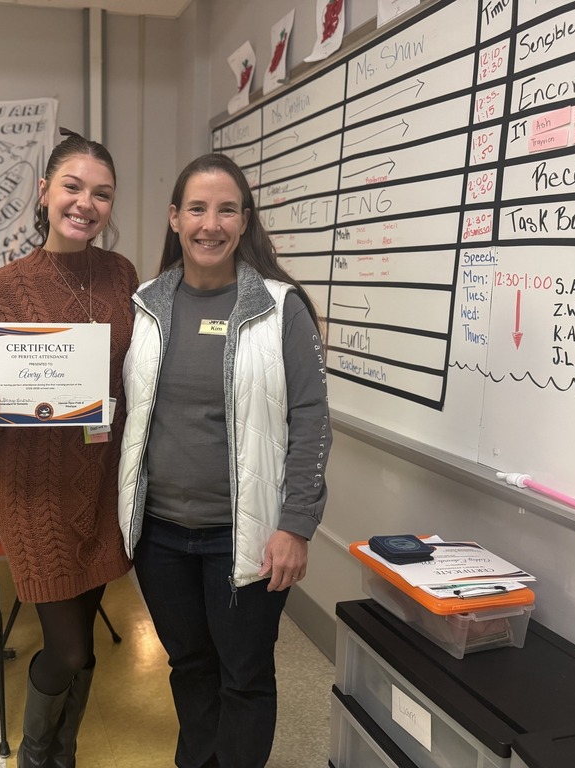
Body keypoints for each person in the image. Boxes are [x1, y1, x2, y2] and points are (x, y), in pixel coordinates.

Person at [118, 152, 332, 768]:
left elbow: (312, 420)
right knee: (189, 666)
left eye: (226, 210)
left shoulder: (278, 308)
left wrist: (295, 526)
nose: (210, 224)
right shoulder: (146, 306)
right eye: (197, 209)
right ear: (174, 218)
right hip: (160, 535)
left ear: (244, 221)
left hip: (248, 536)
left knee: (243, 676)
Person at [0, 129, 138, 768]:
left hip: (103, 488)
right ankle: (35, 752)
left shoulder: (121, 276)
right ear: (44, 192)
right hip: (35, 495)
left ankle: (64, 753)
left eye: (101, 194)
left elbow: (134, 376)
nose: (86, 204)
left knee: (86, 639)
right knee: (69, 648)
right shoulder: (9, 287)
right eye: (73, 188)